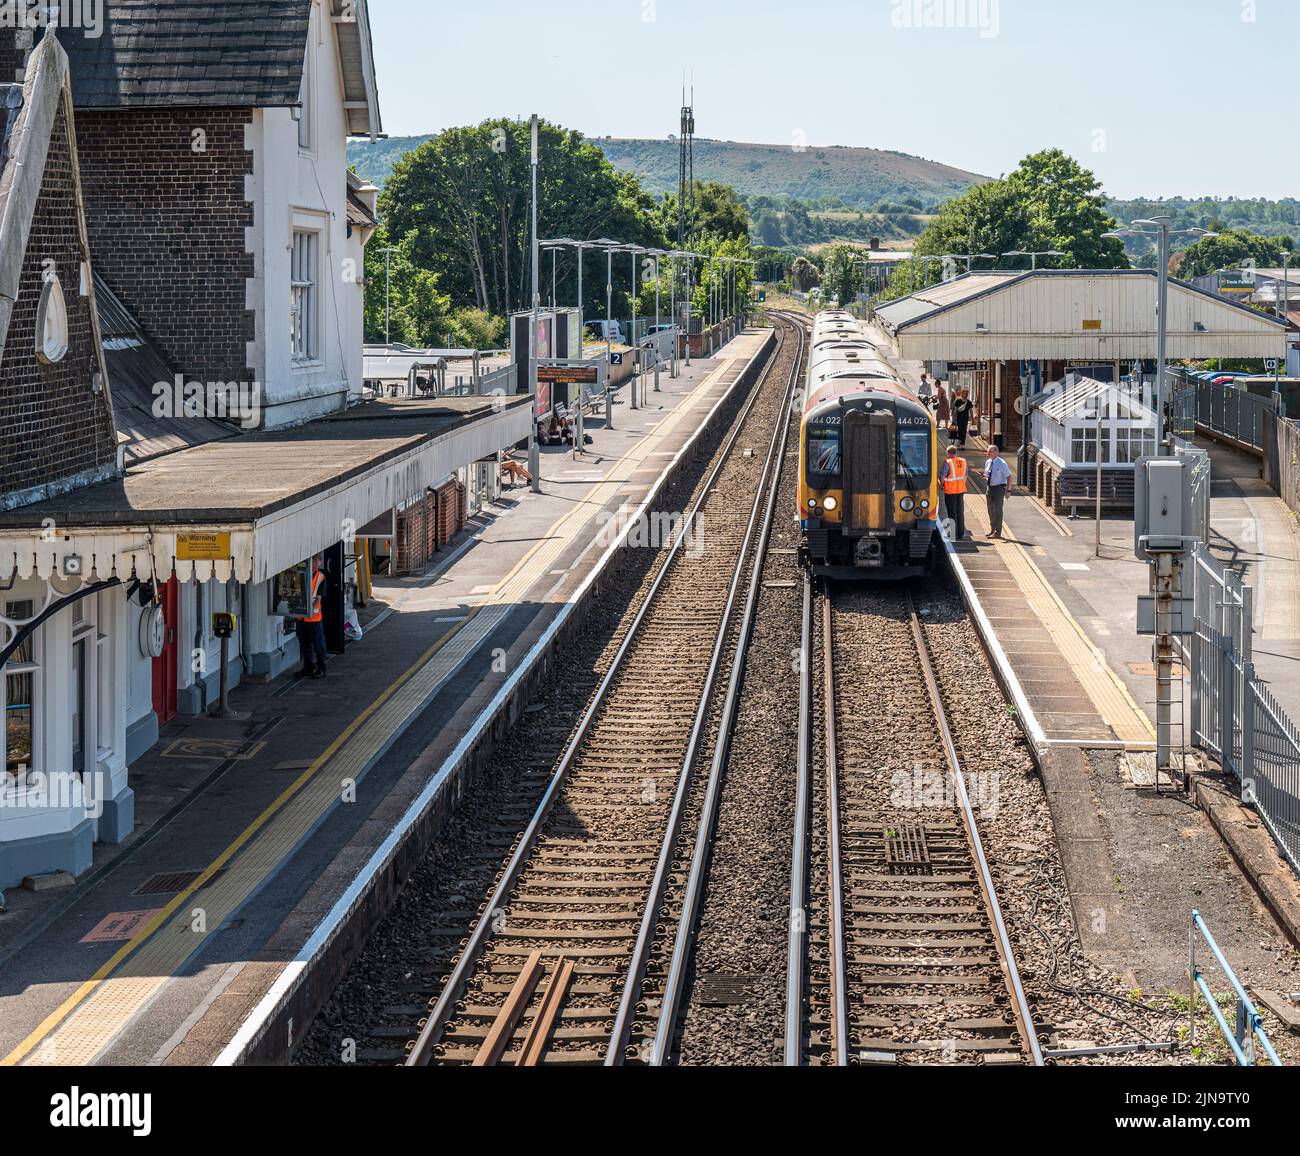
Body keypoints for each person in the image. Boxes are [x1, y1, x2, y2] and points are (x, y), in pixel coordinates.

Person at [295, 556, 328, 679]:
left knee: (318, 645)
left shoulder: (321, 577)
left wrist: (307, 610)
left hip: (314, 618)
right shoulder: (300, 573)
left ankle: (321, 668)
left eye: (317, 561)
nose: (315, 564)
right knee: (304, 644)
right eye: (313, 561)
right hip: (300, 617)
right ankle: (308, 667)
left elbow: (318, 598)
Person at [983, 445, 1013, 539]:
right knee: (990, 510)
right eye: (988, 451)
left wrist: (1008, 490)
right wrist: (984, 476)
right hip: (989, 488)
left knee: (998, 511)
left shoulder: (1002, 463)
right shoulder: (988, 462)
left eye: (990, 452)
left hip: (999, 489)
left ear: (996, 452)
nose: (988, 453)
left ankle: (998, 532)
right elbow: (988, 474)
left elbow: (1009, 477)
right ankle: (992, 529)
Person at [940, 446, 969, 542]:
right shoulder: (963, 461)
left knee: (951, 512)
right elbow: (965, 475)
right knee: (960, 512)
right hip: (960, 490)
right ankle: (961, 534)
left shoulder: (947, 462)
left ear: (948, 452)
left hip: (950, 491)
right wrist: (960, 484)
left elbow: (943, 476)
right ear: (955, 452)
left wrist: (941, 484)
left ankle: (953, 534)